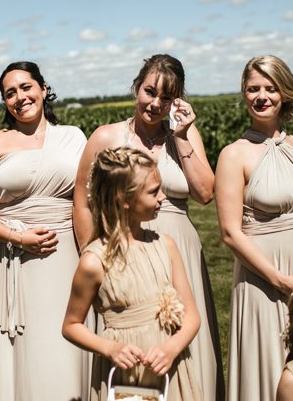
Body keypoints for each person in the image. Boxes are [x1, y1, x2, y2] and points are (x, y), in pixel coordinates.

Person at [72, 54, 224, 400]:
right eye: (149, 92)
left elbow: (204, 193)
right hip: (122, 251)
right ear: (136, 89)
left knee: (186, 334)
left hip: (177, 247)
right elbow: (82, 199)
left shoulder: (184, 135)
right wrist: (93, 254)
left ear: (177, 100)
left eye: (166, 97)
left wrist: (182, 136)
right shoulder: (106, 136)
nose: (156, 103)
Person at [0, 61, 89, 400]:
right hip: (12, 257)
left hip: (66, 254)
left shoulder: (74, 137)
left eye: (25, 87)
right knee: (21, 346)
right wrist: (17, 237)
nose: (20, 97)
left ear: (44, 88)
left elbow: (88, 199)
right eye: (10, 93)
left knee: (62, 345)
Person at [215, 55, 293, 401]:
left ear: (285, 92)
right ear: (244, 94)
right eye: (253, 89)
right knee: (269, 364)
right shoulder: (234, 155)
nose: (261, 96)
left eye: (270, 88)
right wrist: (280, 280)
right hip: (262, 279)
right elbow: (229, 232)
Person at [64, 147, 202, 401]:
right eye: (153, 191)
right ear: (123, 199)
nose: (162, 196)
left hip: (170, 369)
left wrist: (171, 349)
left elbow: (192, 316)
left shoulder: (166, 245)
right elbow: (71, 326)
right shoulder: (94, 262)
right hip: (125, 377)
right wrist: (110, 348)